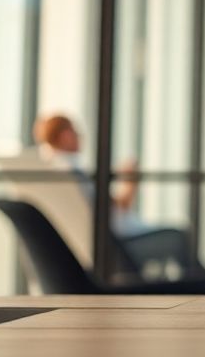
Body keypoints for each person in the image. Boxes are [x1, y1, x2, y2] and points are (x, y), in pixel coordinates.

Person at [33, 114, 196, 274]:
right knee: (179, 237)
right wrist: (130, 180)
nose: (80, 137)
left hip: (99, 244)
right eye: (76, 132)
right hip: (119, 246)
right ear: (65, 136)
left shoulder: (54, 171)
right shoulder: (73, 173)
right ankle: (202, 288)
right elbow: (117, 208)